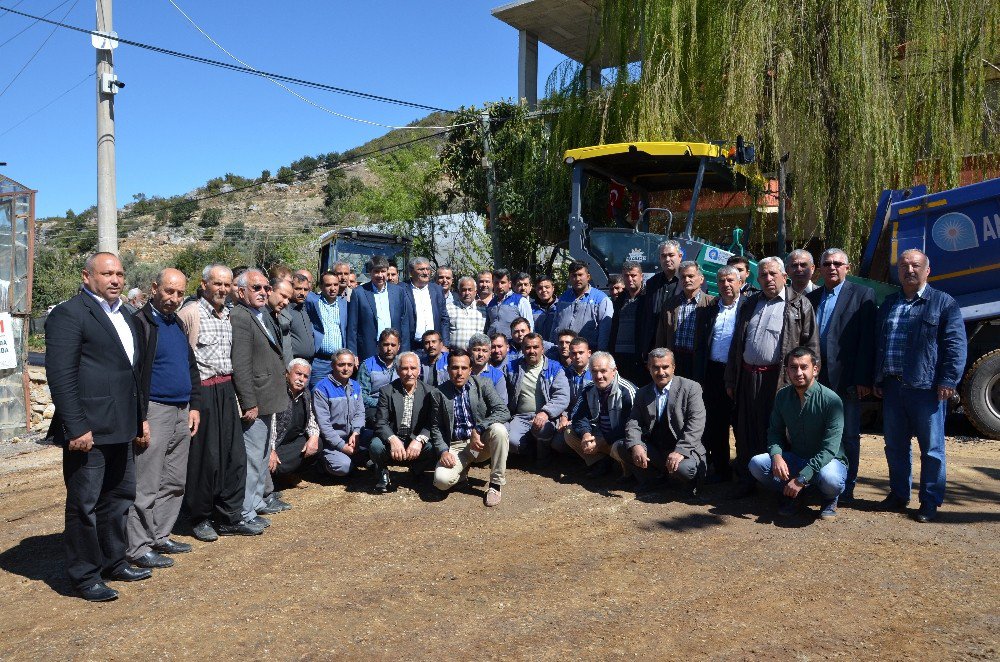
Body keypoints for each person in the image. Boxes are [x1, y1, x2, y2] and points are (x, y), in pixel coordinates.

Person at [46, 252, 148, 602]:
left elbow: (133, 374)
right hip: (88, 429)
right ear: (87, 276)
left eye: (120, 273)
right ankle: (84, 575)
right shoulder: (69, 314)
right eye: (107, 274)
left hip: (122, 426)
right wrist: (75, 427)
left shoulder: (128, 316)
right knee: (84, 505)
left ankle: (113, 560)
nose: (115, 280)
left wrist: (140, 418)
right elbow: (60, 375)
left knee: (118, 497)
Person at [874, 249, 966, 523]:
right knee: (895, 445)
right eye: (904, 266)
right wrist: (877, 377)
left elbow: (955, 345)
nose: (909, 270)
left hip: (926, 389)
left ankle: (929, 501)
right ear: (898, 272)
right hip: (892, 387)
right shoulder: (889, 303)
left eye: (915, 265)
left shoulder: (943, 303)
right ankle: (899, 494)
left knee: (932, 448)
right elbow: (880, 343)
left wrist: (949, 379)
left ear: (928, 270)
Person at [724, 256, 819, 495]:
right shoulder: (749, 303)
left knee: (778, 433)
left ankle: (783, 490)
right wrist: (731, 377)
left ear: (784, 276)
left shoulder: (800, 304)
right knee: (745, 431)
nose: (768, 279)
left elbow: (812, 347)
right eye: (763, 275)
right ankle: (746, 481)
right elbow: (737, 344)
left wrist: (807, 384)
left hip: (779, 380)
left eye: (773, 274)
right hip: (747, 377)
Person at [128, 268, 201, 571]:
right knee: (146, 482)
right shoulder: (140, 323)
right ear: (154, 288)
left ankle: (161, 534)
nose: (174, 298)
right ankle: (138, 547)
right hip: (154, 410)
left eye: (180, 293)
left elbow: (190, 366)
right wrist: (139, 418)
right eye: (169, 291)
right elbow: (132, 375)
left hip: (181, 409)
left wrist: (194, 405)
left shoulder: (177, 324)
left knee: (174, 479)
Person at [177, 265, 253, 542]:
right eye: (217, 284)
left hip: (226, 389)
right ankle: (200, 517)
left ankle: (230, 516)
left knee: (233, 456)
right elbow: (181, 358)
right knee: (205, 459)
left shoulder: (230, 316)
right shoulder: (190, 314)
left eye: (227, 284)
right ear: (204, 284)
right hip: (202, 392)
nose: (222, 289)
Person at [806, 248, 876, 503]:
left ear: (848, 268)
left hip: (847, 381)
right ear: (820, 268)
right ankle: (818, 481)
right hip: (815, 381)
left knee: (848, 435)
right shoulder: (812, 298)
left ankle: (847, 487)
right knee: (816, 433)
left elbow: (868, 340)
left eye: (838, 263)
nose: (832, 267)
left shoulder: (862, 295)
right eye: (827, 263)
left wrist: (863, 379)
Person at [749, 347, 847, 519]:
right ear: (787, 370)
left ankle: (829, 498)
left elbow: (830, 448)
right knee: (757, 464)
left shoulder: (832, 401)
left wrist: (801, 478)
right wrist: (777, 456)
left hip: (828, 461)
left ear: (815, 369)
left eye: (804, 367)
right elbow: (774, 432)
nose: (798, 372)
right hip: (798, 457)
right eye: (793, 367)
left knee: (831, 479)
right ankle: (793, 494)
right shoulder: (782, 396)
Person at [231, 269, 289, 530]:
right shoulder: (240, 317)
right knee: (252, 458)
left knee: (262, 454)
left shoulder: (261, 314)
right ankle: (244, 512)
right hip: (255, 401)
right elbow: (240, 364)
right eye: (257, 288)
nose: (264, 292)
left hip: (268, 397)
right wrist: (248, 401)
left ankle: (255, 504)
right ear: (241, 291)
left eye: (267, 288)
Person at [618, 348, 707, 501]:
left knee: (684, 469)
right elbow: (633, 422)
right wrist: (636, 444)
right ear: (649, 368)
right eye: (655, 367)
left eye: (665, 367)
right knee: (623, 446)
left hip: (684, 451)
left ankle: (688, 483)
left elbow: (696, 423)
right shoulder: (642, 393)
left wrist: (680, 451)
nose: (661, 372)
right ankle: (654, 480)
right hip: (657, 450)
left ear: (673, 367)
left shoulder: (691, 388)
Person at [430, 349, 512, 506]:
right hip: (456, 446)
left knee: (499, 430)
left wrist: (479, 429)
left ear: (470, 370)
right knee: (441, 481)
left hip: (480, 444)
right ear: (448, 369)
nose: (459, 373)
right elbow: (436, 427)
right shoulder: (438, 393)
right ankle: (461, 473)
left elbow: (503, 411)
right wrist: (443, 451)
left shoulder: (483, 384)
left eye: (464, 368)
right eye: (455, 368)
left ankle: (495, 485)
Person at [693, 265, 743, 483]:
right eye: (722, 280)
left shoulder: (748, 308)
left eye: (731, 280)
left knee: (741, 424)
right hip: (714, 372)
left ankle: (744, 470)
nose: (726, 284)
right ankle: (722, 469)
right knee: (716, 423)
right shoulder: (710, 309)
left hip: (741, 373)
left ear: (740, 282)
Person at [370, 352, 437, 493]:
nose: (409, 373)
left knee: (433, 446)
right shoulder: (387, 391)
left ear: (419, 370)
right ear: (397, 370)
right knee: (375, 445)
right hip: (395, 437)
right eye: (405, 368)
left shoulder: (430, 392)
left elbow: (433, 422)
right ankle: (382, 472)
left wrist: (419, 440)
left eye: (413, 368)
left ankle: (417, 470)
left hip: (415, 439)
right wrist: (392, 439)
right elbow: (380, 422)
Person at [561, 352, 636, 477]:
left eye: (603, 371)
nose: (599, 376)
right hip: (600, 433)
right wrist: (586, 434)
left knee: (619, 446)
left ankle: (628, 471)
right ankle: (600, 462)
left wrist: (603, 441)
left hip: (619, 436)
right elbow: (578, 416)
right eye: (594, 372)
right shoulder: (589, 388)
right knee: (569, 433)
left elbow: (629, 425)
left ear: (614, 371)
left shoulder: (627, 391)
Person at [506, 333, 570, 460]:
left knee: (542, 430)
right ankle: (531, 451)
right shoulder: (512, 367)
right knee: (510, 442)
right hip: (521, 417)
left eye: (535, 347)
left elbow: (562, 396)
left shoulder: (554, 368)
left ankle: (544, 456)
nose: (532, 351)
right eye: (527, 347)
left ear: (543, 349)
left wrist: (546, 412)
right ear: (522, 349)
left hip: (547, 417)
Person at [348, 255, 413, 362]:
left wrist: (405, 351)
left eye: (383, 271)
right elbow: (352, 327)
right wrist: (352, 353)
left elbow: (404, 324)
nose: (380, 275)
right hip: (368, 350)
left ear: (387, 271)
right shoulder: (359, 293)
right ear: (370, 272)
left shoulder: (398, 292)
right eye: (376, 271)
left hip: (393, 350)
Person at [313, 348, 368, 477]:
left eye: (350, 364)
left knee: (375, 439)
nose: (346, 368)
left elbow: (360, 413)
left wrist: (356, 432)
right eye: (341, 364)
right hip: (331, 441)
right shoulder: (322, 389)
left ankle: (355, 457)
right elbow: (324, 425)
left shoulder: (356, 386)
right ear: (333, 365)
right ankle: (322, 461)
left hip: (352, 437)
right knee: (343, 467)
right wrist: (342, 446)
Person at [655, 261, 710, 377]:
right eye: (683, 277)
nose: (687, 280)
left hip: (697, 361)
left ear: (701, 279)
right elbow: (661, 335)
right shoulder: (670, 304)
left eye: (691, 276)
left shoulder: (711, 303)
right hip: (674, 360)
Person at [269, 359, 321, 481]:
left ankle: (288, 472)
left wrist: (314, 437)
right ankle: (278, 474)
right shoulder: (277, 393)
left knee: (318, 444)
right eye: (298, 374)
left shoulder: (306, 394)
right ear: (287, 373)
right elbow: (269, 427)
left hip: (293, 443)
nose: (301, 379)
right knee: (274, 464)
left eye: (305, 376)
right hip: (275, 445)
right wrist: (271, 451)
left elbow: (311, 420)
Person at [638, 240, 684, 358]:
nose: (667, 259)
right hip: (653, 346)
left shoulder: (688, 282)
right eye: (663, 256)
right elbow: (646, 316)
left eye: (671, 255)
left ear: (680, 256)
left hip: (677, 345)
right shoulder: (652, 283)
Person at [552, 262, 613, 351]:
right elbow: (555, 323)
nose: (577, 279)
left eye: (580, 275)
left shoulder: (601, 299)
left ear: (588, 277)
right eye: (574, 275)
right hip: (563, 353)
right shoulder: (564, 297)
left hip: (587, 353)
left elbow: (605, 330)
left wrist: (600, 353)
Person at [305, 271, 349, 387]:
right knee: (316, 393)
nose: (333, 288)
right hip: (319, 361)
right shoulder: (312, 301)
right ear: (321, 286)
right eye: (328, 285)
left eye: (335, 284)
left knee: (338, 395)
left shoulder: (345, 304)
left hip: (340, 361)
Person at [608, 262, 646, 386]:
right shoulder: (619, 300)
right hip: (619, 356)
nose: (630, 279)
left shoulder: (648, 298)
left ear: (642, 276)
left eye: (633, 275)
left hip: (638, 357)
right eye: (626, 276)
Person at [402, 256, 451, 347]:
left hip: (433, 346)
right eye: (421, 269)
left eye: (427, 269)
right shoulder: (401, 289)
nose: (425, 272)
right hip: (410, 345)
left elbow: (444, 319)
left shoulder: (437, 290)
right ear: (411, 272)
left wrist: (445, 344)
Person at [358, 328, 400, 428]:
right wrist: (382, 404)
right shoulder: (367, 365)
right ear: (379, 345)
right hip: (374, 407)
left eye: (393, 345)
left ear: (398, 347)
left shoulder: (403, 364)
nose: (389, 349)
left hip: (398, 405)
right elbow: (361, 394)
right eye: (386, 344)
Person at [485, 268, 534, 338]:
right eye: (496, 283)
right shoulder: (491, 304)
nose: (499, 286)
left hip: (513, 346)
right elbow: (488, 327)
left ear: (510, 284)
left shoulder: (520, 301)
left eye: (503, 282)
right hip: (495, 346)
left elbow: (530, 328)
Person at [445, 276, 486, 352]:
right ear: (458, 291)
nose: (467, 293)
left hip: (477, 355)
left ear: (475, 291)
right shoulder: (449, 308)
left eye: (470, 290)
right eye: (464, 290)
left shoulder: (483, 310)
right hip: (455, 355)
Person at [467, 332, 509, 407]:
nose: (480, 354)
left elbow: (502, 407)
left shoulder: (497, 376)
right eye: (476, 350)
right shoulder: (462, 372)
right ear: (469, 351)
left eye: (485, 351)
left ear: (490, 353)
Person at [282, 273, 316, 364]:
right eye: (298, 289)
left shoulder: (308, 309)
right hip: (292, 363)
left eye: (306, 289)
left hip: (310, 363)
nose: (302, 293)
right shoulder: (284, 310)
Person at [268, 278, 294, 367]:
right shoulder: (257, 316)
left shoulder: (281, 317)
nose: (286, 302)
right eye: (283, 296)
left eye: (289, 299)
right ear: (270, 290)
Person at [532, 275, 559, 342]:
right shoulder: (530, 308)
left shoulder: (560, 306)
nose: (544, 290)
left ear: (553, 288)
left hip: (556, 347)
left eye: (547, 287)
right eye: (540, 288)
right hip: (536, 347)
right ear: (535, 290)